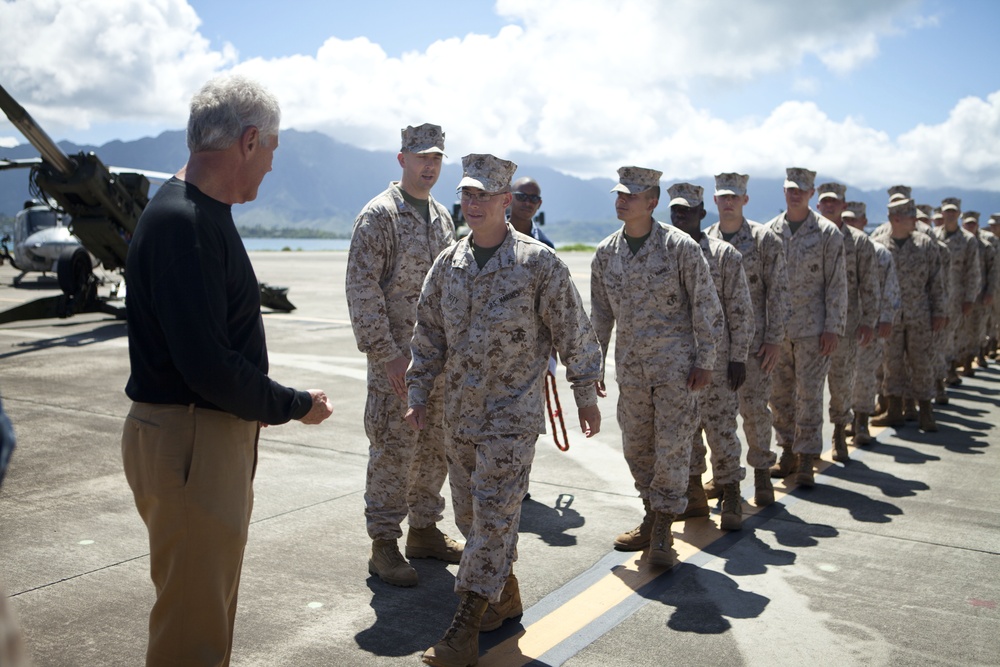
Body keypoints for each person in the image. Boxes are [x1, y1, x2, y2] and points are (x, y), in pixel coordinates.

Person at [121, 74, 333, 667]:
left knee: (204, 616)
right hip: (194, 439)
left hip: (201, 439)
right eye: (271, 147)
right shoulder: (184, 222)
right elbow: (208, 366)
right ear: (247, 141)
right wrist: (293, 403)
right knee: (193, 633)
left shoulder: (199, 213)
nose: (270, 164)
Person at [405, 154, 603, 666]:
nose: (472, 204)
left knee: (493, 518)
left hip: (512, 419)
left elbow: (574, 331)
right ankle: (505, 594)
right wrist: (417, 391)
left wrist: (584, 393)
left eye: (483, 196)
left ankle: (463, 631)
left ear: (505, 201)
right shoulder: (448, 263)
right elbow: (427, 333)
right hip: (460, 416)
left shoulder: (538, 263)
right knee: (473, 518)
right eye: (466, 195)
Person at [345, 123, 463, 588]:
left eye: (436, 158)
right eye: (421, 157)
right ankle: (384, 544)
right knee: (393, 450)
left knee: (434, 447)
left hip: (435, 364)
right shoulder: (380, 216)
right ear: (402, 159)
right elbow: (361, 290)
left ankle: (425, 531)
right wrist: (387, 355)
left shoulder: (441, 217)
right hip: (396, 363)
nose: (429, 165)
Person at [591, 166, 723, 566]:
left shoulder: (680, 247)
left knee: (672, 448)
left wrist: (706, 360)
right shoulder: (606, 253)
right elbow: (600, 316)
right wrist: (594, 364)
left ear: (652, 202)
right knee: (636, 447)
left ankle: (664, 527)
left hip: (676, 371)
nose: (622, 200)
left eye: (631, 195)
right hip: (630, 371)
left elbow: (706, 306)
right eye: (619, 194)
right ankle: (651, 513)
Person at [668, 182, 754, 530]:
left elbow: (740, 310)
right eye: (676, 209)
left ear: (702, 213)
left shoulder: (724, 255)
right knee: (683, 433)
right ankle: (694, 498)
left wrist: (739, 357)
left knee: (720, 428)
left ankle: (730, 490)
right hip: (677, 362)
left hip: (717, 363)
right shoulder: (664, 254)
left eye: (688, 210)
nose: (681, 215)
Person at [705, 172, 789, 506]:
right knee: (716, 416)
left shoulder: (764, 239)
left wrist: (774, 339)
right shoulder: (705, 240)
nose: (728, 202)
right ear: (714, 201)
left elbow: (778, 292)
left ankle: (761, 474)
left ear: (745, 200)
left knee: (755, 411)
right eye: (723, 197)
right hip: (715, 347)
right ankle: (724, 476)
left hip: (754, 346)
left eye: (734, 197)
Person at [765, 167, 847, 486]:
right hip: (778, 331)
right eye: (790, 189)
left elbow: (837, 284)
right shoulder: (770, 231)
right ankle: (787, 451)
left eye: (801, 189)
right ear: (784, 192)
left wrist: (833, 327)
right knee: (780, 394)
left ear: (811, 193)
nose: (795, 194)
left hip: (814, 330)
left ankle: (807, 458)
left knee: (809, 393)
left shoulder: (828, 233)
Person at [815, 182, 880, 462]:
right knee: (804, 389)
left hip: (845, 325)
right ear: (817, 205)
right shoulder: (809, 235)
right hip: (809, 325)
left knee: (841, 383)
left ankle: (840, 432)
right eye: (825, 202)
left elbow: (870, 285)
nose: (829, 206)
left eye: (835, 202)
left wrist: (869, 321)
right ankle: (802, 447)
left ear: (844, 205)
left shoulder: (859, 241)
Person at [871, 194, 947, 431]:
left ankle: (926, 411)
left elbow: (937, 281)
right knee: (891, 364)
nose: (916, 220)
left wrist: (939, 312)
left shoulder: (925, 244)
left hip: (920, 315)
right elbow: (871, 283)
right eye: (910, 216)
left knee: (921, 362)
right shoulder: (879, 244)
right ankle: (894, 410)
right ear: (895, 218)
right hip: (889, 318)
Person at [843, 202, 900, 445]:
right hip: (840, 325)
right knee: (841, 378)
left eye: (855, 220)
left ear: (864, 222)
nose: (850, 224)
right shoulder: (834, 246)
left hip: (869, 323)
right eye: (846, 219)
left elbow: (890, 289)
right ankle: (843, 420)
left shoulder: (879, 252)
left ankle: (862, 422)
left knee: (865, 374)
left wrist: (886, 317)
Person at [932, 198, 981, 385]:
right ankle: (938, 377)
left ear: (959, 214)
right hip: (935, 294)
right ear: (942, 213)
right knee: (935, 337)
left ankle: (948, 371)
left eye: (954, 212)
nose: (950, 215)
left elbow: (973, 271)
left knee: (950, 335)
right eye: (947, 211)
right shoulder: (934, 236)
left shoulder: (968, 240)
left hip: (956, 296)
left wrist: (970, 298)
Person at [960, 211, 997, 371]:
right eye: (968, 223)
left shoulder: (986, 246)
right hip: (959, 295)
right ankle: (960, 360)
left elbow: (993, 271)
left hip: (980, 294)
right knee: (960, 329)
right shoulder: (957, 242)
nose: (970, 226)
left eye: (973, 223)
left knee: (978, 327)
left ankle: (974, 356)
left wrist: (990, 291)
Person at [508, 176, 554, 248]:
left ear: (539, 204)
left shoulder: (545, 246)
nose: (528, 203)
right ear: (509, 199)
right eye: (521, 196)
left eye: (534, 198)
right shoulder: (491, 237)